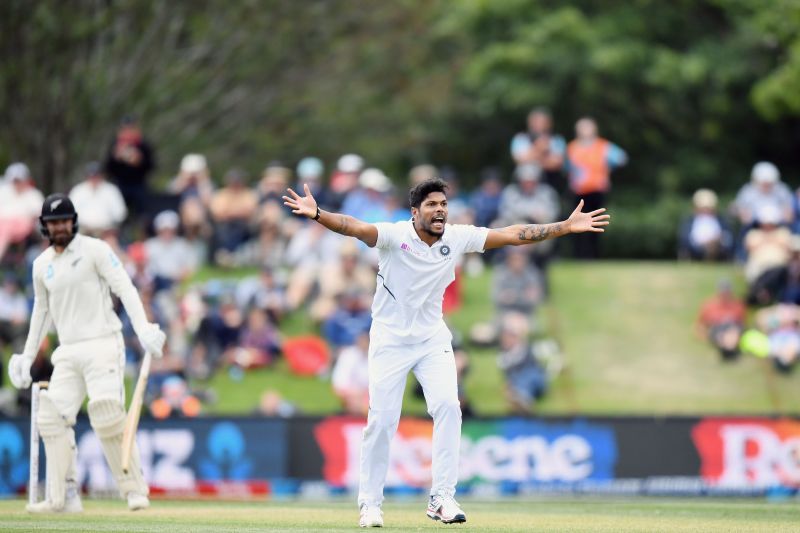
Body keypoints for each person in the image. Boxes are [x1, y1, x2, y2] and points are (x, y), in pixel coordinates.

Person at [283, 177, 609, 527]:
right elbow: (353, 227)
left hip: (432, 338)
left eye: (443, 205)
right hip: (389, 340)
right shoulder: (395, 236)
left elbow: (514, 234)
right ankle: (370, 504)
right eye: (431, 205)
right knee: (381, 420)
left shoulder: (456, 237)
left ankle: (441, 497)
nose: (439, 211)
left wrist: (563, 227)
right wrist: (318, 214)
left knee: (449, 407)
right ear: (415, 212)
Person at [7, 193, 166, 513]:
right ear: (44, 227)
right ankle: (63, 497)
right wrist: (26, 356)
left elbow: (125, 287)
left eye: (64, 221)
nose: (60, 227)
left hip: (104, 344)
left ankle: (134, 490)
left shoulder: (96, 250)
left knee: (106, 412)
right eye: (53, 223)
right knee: (50, 417)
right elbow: (41, 313)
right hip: (67, 351)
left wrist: (144, 328)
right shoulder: (41, 266)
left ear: (74, 221)